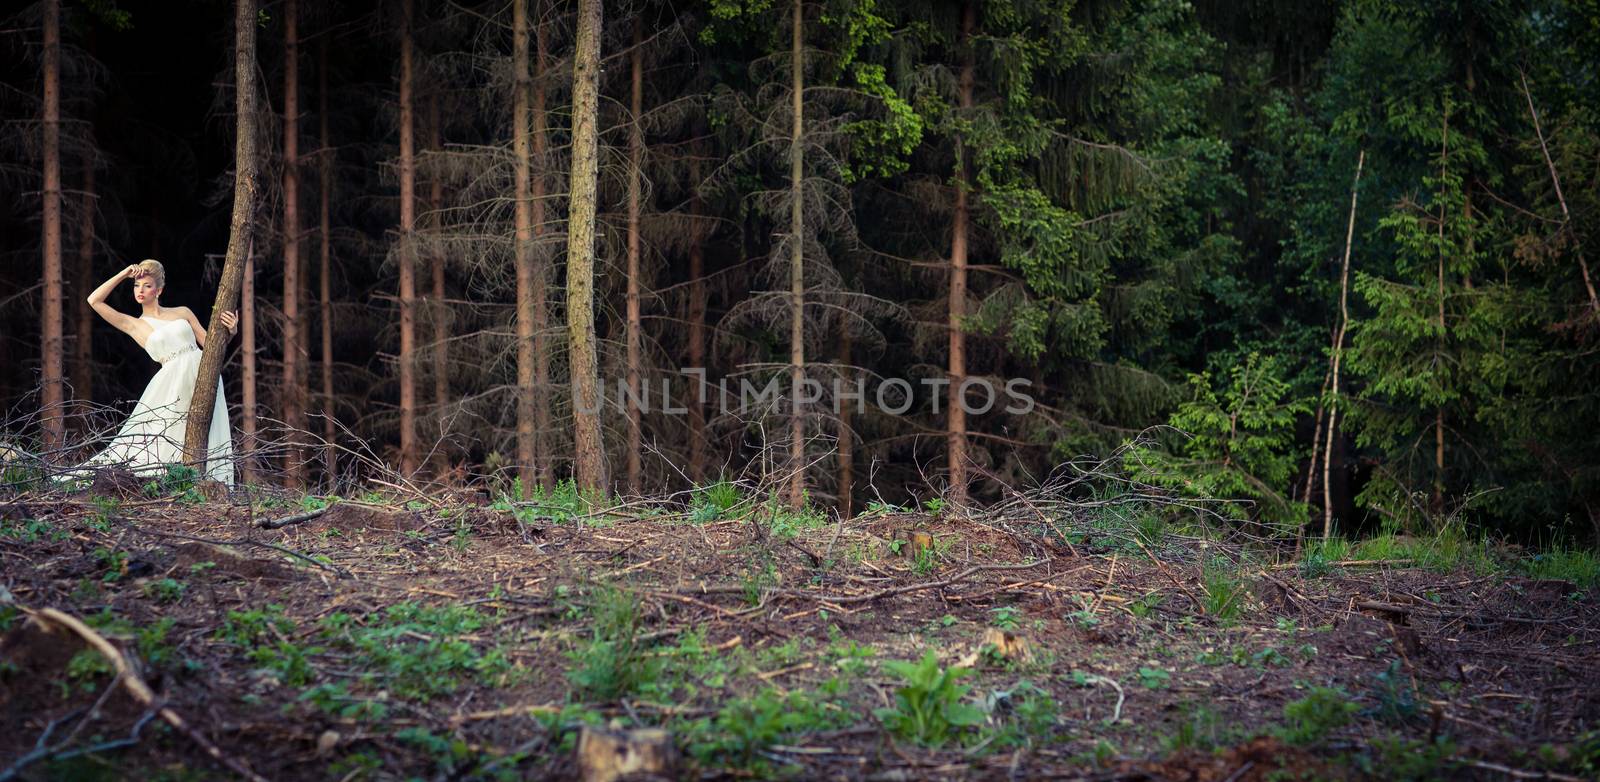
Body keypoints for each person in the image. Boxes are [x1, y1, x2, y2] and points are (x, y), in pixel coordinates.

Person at [79, 259, 238, 485]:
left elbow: (210, 345)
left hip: (203, 373)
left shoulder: (182, 312)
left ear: (159, 290)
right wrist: (124, 274)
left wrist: (231, 332)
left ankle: (209, 485)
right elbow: (93, 300)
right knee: (166, 436)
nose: (140, 290)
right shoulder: (134, 324)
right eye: (136, 286)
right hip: (172, 382)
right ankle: (177, 484)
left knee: (207, 429)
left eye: (146, 285)